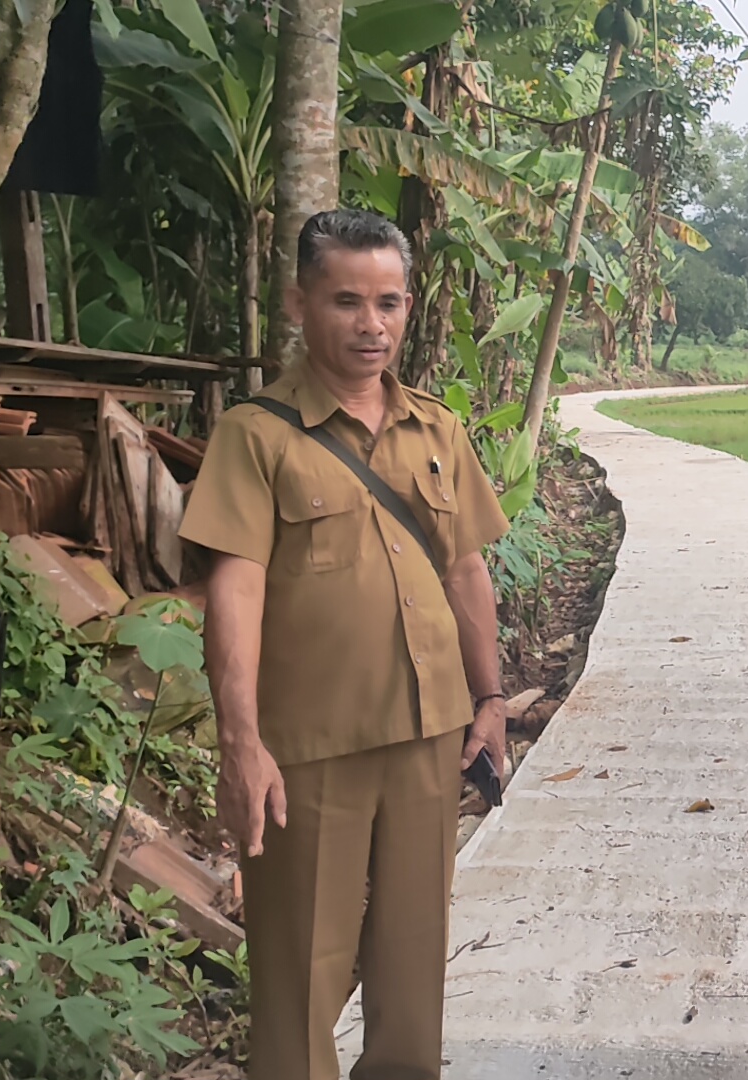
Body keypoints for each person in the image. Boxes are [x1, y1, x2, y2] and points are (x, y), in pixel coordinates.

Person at [179, 209, 512, 1080]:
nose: (372, 324)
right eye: (348, 301)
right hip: (310, 749)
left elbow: (466, 569)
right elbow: (235, 589)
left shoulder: (436, 428)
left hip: (427, 735)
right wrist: (241, 743)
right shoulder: (256, 435)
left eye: (390, 302)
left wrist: (490, 701)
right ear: (300, 302)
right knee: (301, 975)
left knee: (413, 966)